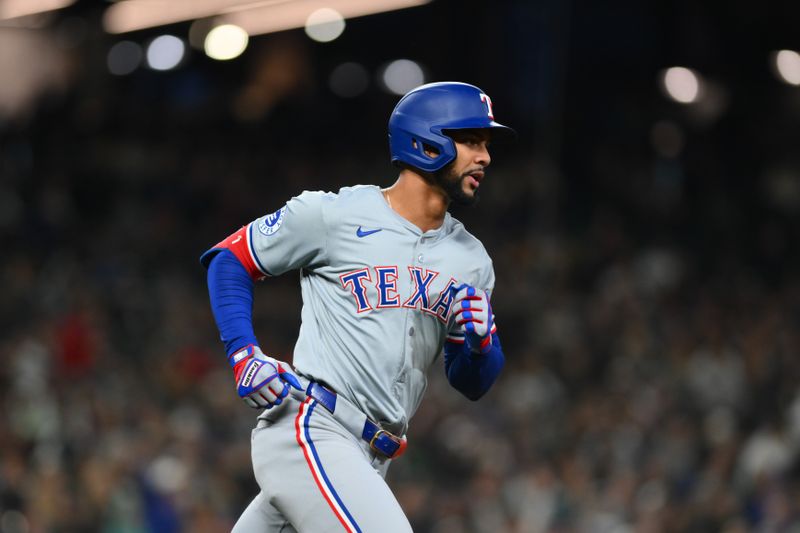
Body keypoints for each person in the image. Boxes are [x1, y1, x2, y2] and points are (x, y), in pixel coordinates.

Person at [201, 81, 515, 532]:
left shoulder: (472, 260)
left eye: (485, 144)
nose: (484, 156)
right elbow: (229, 259)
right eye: (470, 141)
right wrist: (243, 353)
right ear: (428, 141)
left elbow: (470, 381)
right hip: (312, 427)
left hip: (370, 458)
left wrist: (482, 345)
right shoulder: (334, 215)